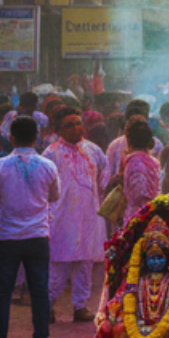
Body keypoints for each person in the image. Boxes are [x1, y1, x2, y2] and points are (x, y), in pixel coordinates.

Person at [0, 116, 60, 338]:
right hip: (37, 236)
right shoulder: (47, 166)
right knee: (39, 292)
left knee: (2, 293)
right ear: (36, 136)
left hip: (7, 236)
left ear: (12, 137)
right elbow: (54, 196)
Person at [42, 107, 108, 323]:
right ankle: (47, 305)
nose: (76, 128)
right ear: (58, 129)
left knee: (85, 264)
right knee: (58, 266)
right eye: (69, 125)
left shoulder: (94, 151)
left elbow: (103, 180)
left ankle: (80, 306)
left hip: (89, 216)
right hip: (61, 218)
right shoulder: (51, 153)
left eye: (78, 123)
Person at [121, 119, 162, 227]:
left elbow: (138, 193)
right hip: (154, 214)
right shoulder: (154, 162)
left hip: (137, 218)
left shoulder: (134, 162)